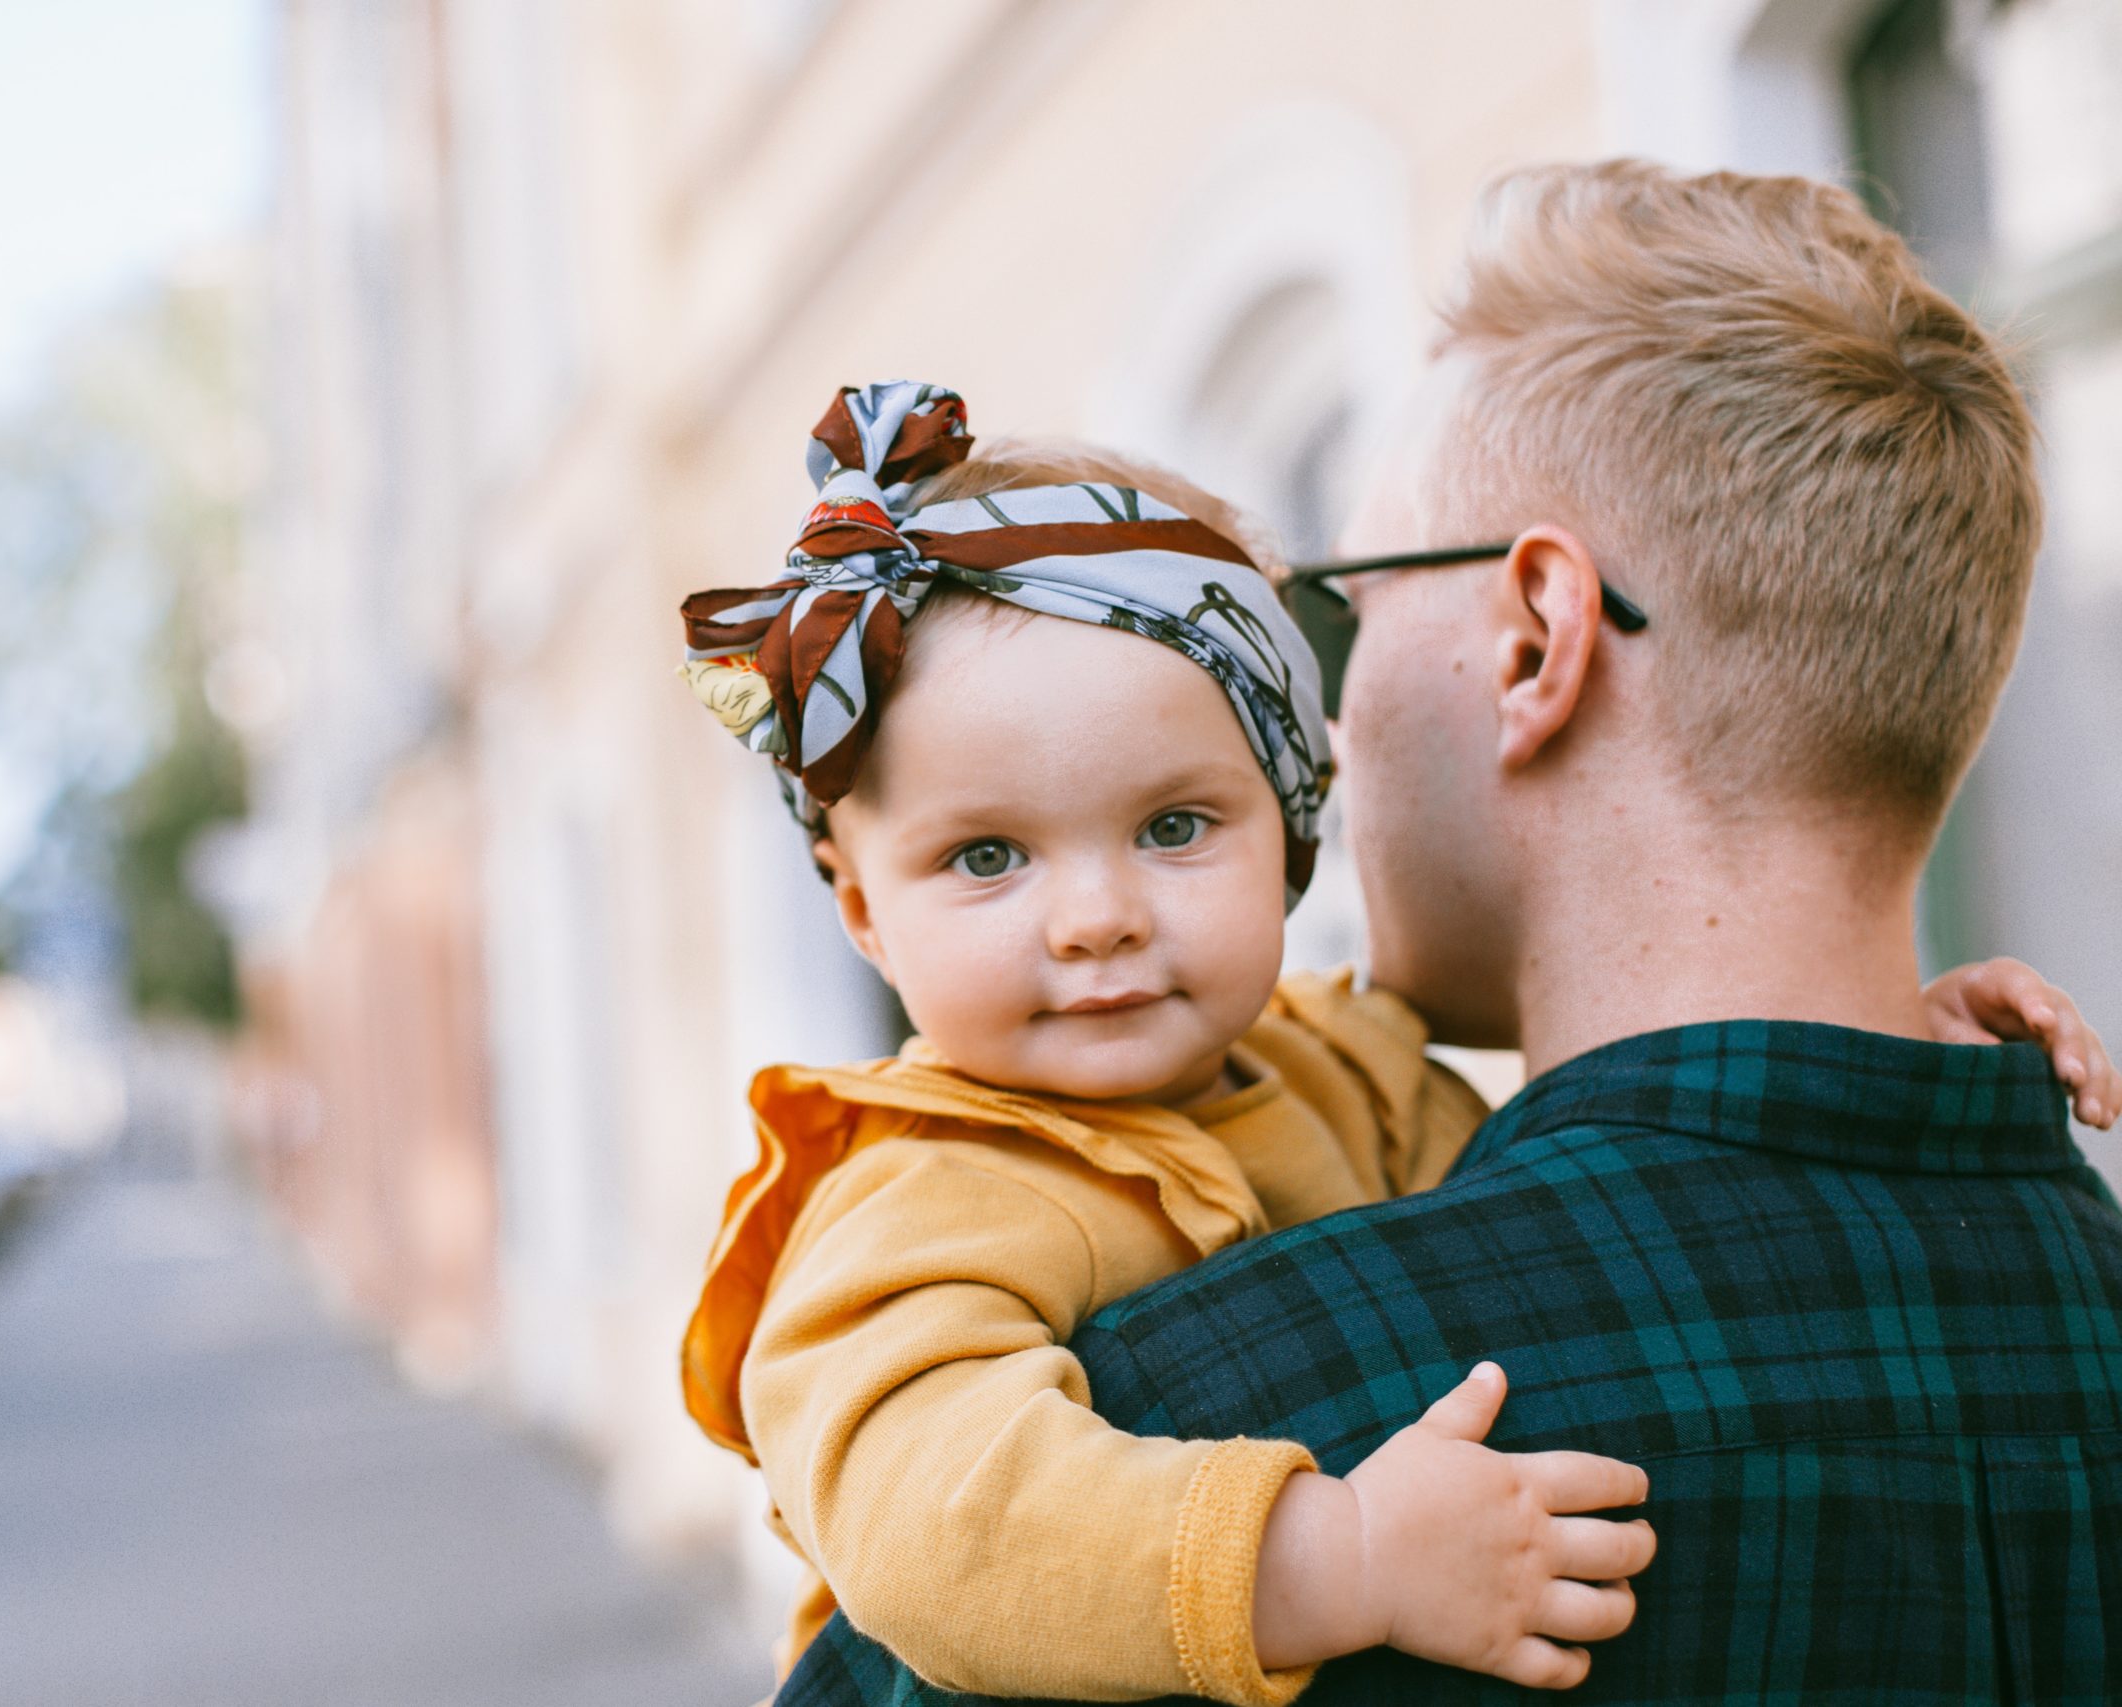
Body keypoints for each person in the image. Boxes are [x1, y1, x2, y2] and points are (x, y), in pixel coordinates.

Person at [778, 164, 2122, 1705]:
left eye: (1348, 608)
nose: (1333, 724)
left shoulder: (1200, 1433)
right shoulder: (2083, 1297)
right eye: (991, 856)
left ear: (1536, 642)